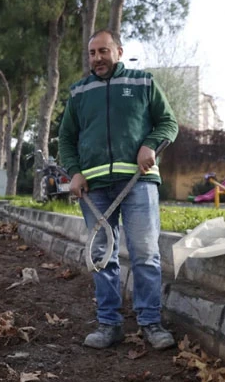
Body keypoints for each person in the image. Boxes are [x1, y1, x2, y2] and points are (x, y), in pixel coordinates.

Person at [58, 29, 179, 350]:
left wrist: (151, 144)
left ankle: (151, 323)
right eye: (92, 53)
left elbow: (168, 122)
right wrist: (74, 172)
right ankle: (109, 324)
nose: (97, 58)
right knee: (101, 255)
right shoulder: (79, 93)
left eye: (103, 51)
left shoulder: (143, 83)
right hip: (94, 189)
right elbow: (66, 140)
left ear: (119, 51)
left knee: (145, 254)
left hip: (137, 184)